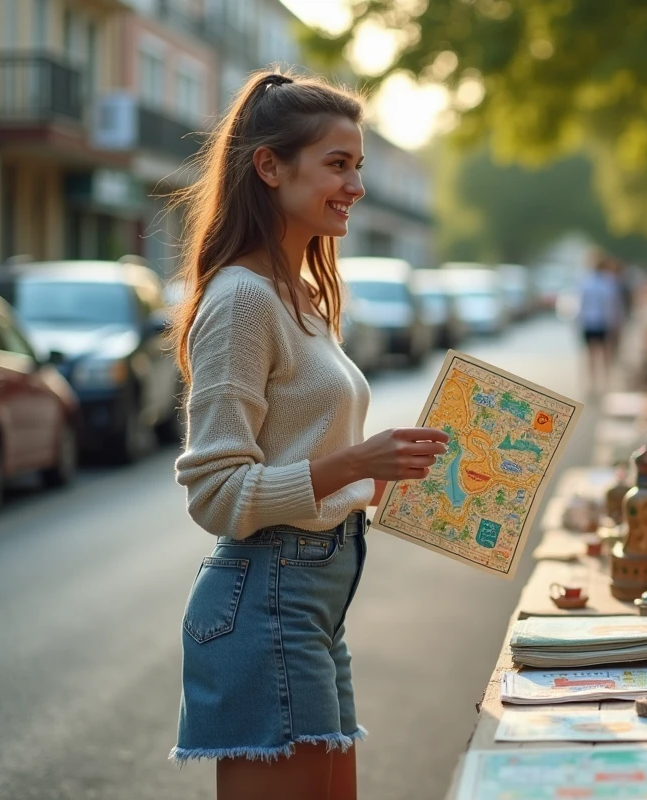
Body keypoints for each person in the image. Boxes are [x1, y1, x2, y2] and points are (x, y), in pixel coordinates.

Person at [166, 71, 449, 799]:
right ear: (269, 166)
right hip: (269, 602)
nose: (356, 184)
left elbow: (298, 456)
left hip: (311, 606)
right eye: (338, 164)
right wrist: (351, 461)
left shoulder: (305, 296)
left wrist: (377, 474)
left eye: (359, 165)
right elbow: (215, 493)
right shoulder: (241, 300)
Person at [575, 253, 625, 393]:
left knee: (591, 354)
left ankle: (593, 382)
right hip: (602, 322)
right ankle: (604, 382)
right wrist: (615, 323)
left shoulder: (586, 281)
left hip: (589, 322)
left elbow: (581, 304)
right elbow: (611, 306)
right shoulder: (608, 283)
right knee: (604, 353)